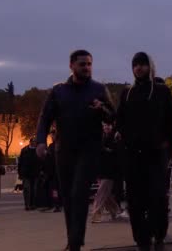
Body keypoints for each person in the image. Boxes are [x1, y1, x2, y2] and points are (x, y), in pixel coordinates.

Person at [36, 50, 115, 251]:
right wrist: (40, 141)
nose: (87, 68)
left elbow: (113, 117)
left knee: (79, 193)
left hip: (89, 149)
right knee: (68, 197)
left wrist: (102, 110)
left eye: (89, 64)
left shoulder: (99, 89)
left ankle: (74, 243)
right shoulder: (58, 91)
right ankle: (73, 239)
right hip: (64, 151)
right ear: (71, 66)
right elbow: (45, 117)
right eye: (82, 64)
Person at [115, 52, 172, 251]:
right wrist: (123, 138)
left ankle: (158, 234)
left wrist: (169, 147)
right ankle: (141, 239)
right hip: (133, 154)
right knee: (135, 200)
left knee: (157, 197)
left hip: (156, 154)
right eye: (135, 65)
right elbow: (120, 120)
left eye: (142, 64)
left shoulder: (161, 91)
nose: (139, 68)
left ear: (149, 67)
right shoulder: (127, 93)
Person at [91, 122, 121, 223]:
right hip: (100, 170)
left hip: (109, 170)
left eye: (108, 125)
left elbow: (115, 152)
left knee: (101, 192)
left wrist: (105, 150)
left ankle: (96, 213)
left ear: (112, 126)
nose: (106, 127)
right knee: (106, 194)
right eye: (104, 126)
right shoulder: (101, 138)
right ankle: (115, 210)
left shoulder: (115, 137)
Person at [19, 138, 41, 211]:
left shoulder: (38, 150)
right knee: (27, 189)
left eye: (35, 142)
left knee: (34, 190)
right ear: (30, 142)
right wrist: (20, 173)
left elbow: (41, 162)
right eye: (33, 142)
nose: (34, 143)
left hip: (35, 173)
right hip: (26, 173)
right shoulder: (24, 150)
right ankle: (27, 205)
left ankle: (33, 204)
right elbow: (20, 162)